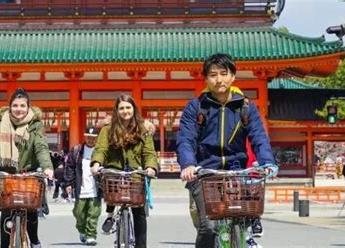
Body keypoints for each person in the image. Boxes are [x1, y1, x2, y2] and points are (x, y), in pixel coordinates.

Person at [176, 53, 275, 248]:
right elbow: (185, 138)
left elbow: (259, 136)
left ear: (233, 76)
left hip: (236, 172)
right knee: (209, 227)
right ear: (205, 78)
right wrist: (188, 164)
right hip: (204, 173)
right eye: (213, 75)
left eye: (224, 73)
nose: (219, 79)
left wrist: (267, 161)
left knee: (241, 221)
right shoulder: (196, 108)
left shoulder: (245, 108)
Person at [0, 88, 54, 248]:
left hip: (29, 172)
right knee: (7, 210)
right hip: (7, 173)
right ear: (9, 107)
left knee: (31, 208)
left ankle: (34, 240)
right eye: (15, 105)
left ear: (28, 107)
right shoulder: (1, 125)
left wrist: (47, 167)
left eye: (22, 106)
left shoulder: (35, 125)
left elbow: (41, 147)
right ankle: (5, 245)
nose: (18, 109)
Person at [90, 94, 158, 248]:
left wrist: (151, 167)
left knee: (139, 212)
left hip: (136, 173)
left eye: (128, 107)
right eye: (121, 108)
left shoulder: (143, 129)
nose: (125, 111)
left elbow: (149, 152)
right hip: (115, 171)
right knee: (111, 188)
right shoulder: (107, 130)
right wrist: (96, 163)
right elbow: (101, 149)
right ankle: (110, 214)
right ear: (116, 110)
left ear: (134, 109)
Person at [64, 127, 101, 246]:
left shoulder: (100, 152)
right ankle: (82, 229)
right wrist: (68, 183)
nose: (90, 140)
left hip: (95, 188)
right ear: (85, 137)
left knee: (94, 213)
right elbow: (69, 167)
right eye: (88, 137)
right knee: (78, 213)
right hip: (81, 187)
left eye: (93, 138)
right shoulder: (77, 151)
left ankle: (91, 235)